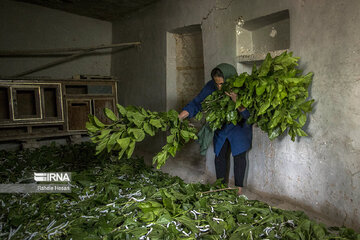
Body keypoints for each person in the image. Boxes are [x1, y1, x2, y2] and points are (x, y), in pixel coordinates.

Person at [178, 63, 253, 195]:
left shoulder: (242, 88)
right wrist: (180, 116)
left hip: (238, 128)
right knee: (219, 156)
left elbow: (248, 115)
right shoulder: (210, 87)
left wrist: (237, 101)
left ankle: (238, 189)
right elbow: (197, 103)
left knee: (239, 156)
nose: (219, 87)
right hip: (221, 127)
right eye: (217, 83)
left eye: (222, 84)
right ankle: (221, 187)